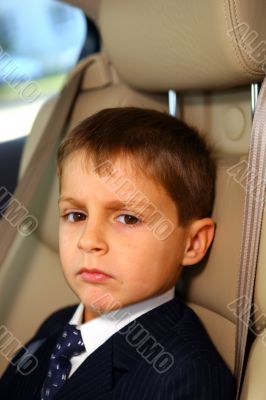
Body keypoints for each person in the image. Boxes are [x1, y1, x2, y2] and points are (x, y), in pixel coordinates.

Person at [0, 107, 235, 399]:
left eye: (128, 218)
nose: (89, 241)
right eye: (75, 215)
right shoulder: (59, 324)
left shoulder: (183, 379)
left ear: (193, 243)